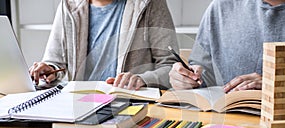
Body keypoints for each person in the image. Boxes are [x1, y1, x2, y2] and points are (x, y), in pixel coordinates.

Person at [29, 0, 178, 90]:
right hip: (76, 103)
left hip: (127, 103)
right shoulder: (68, 5)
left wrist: (144, 80)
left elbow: (172, 65)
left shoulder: (148, 4)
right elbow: (54, 62)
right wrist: (50, 69)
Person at [169, 0, 285, 92]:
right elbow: (203, 74)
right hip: (227, 121)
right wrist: (185, 78)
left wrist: (280, 87)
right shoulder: (220, 7)